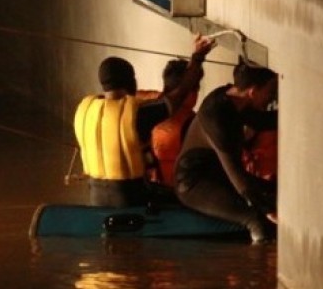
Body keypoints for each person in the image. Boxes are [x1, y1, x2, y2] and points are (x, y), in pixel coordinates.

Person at [73, 34, 214, 207]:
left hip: (95, 196)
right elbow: (181, 93)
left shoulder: (85, 111)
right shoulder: (138, 114)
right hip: (131, 196)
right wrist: (198, 57)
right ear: (130, 81)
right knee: (188, 201)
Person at [174, 61, 279, 243]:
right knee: (256, 220)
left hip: (220, 175)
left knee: (277, 192)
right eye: (271, 92)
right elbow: (238, 177)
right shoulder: (216, 116)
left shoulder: (237, 99)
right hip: (194, 183)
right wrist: (268, 211)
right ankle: (258, 270)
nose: (272, 98)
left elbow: (263, 121)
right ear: (252, 92)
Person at [148, 58, 201, 190]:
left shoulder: (148, 110)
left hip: (154, 190)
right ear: (190, 93)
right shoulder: (193, 124)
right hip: (180, 193)